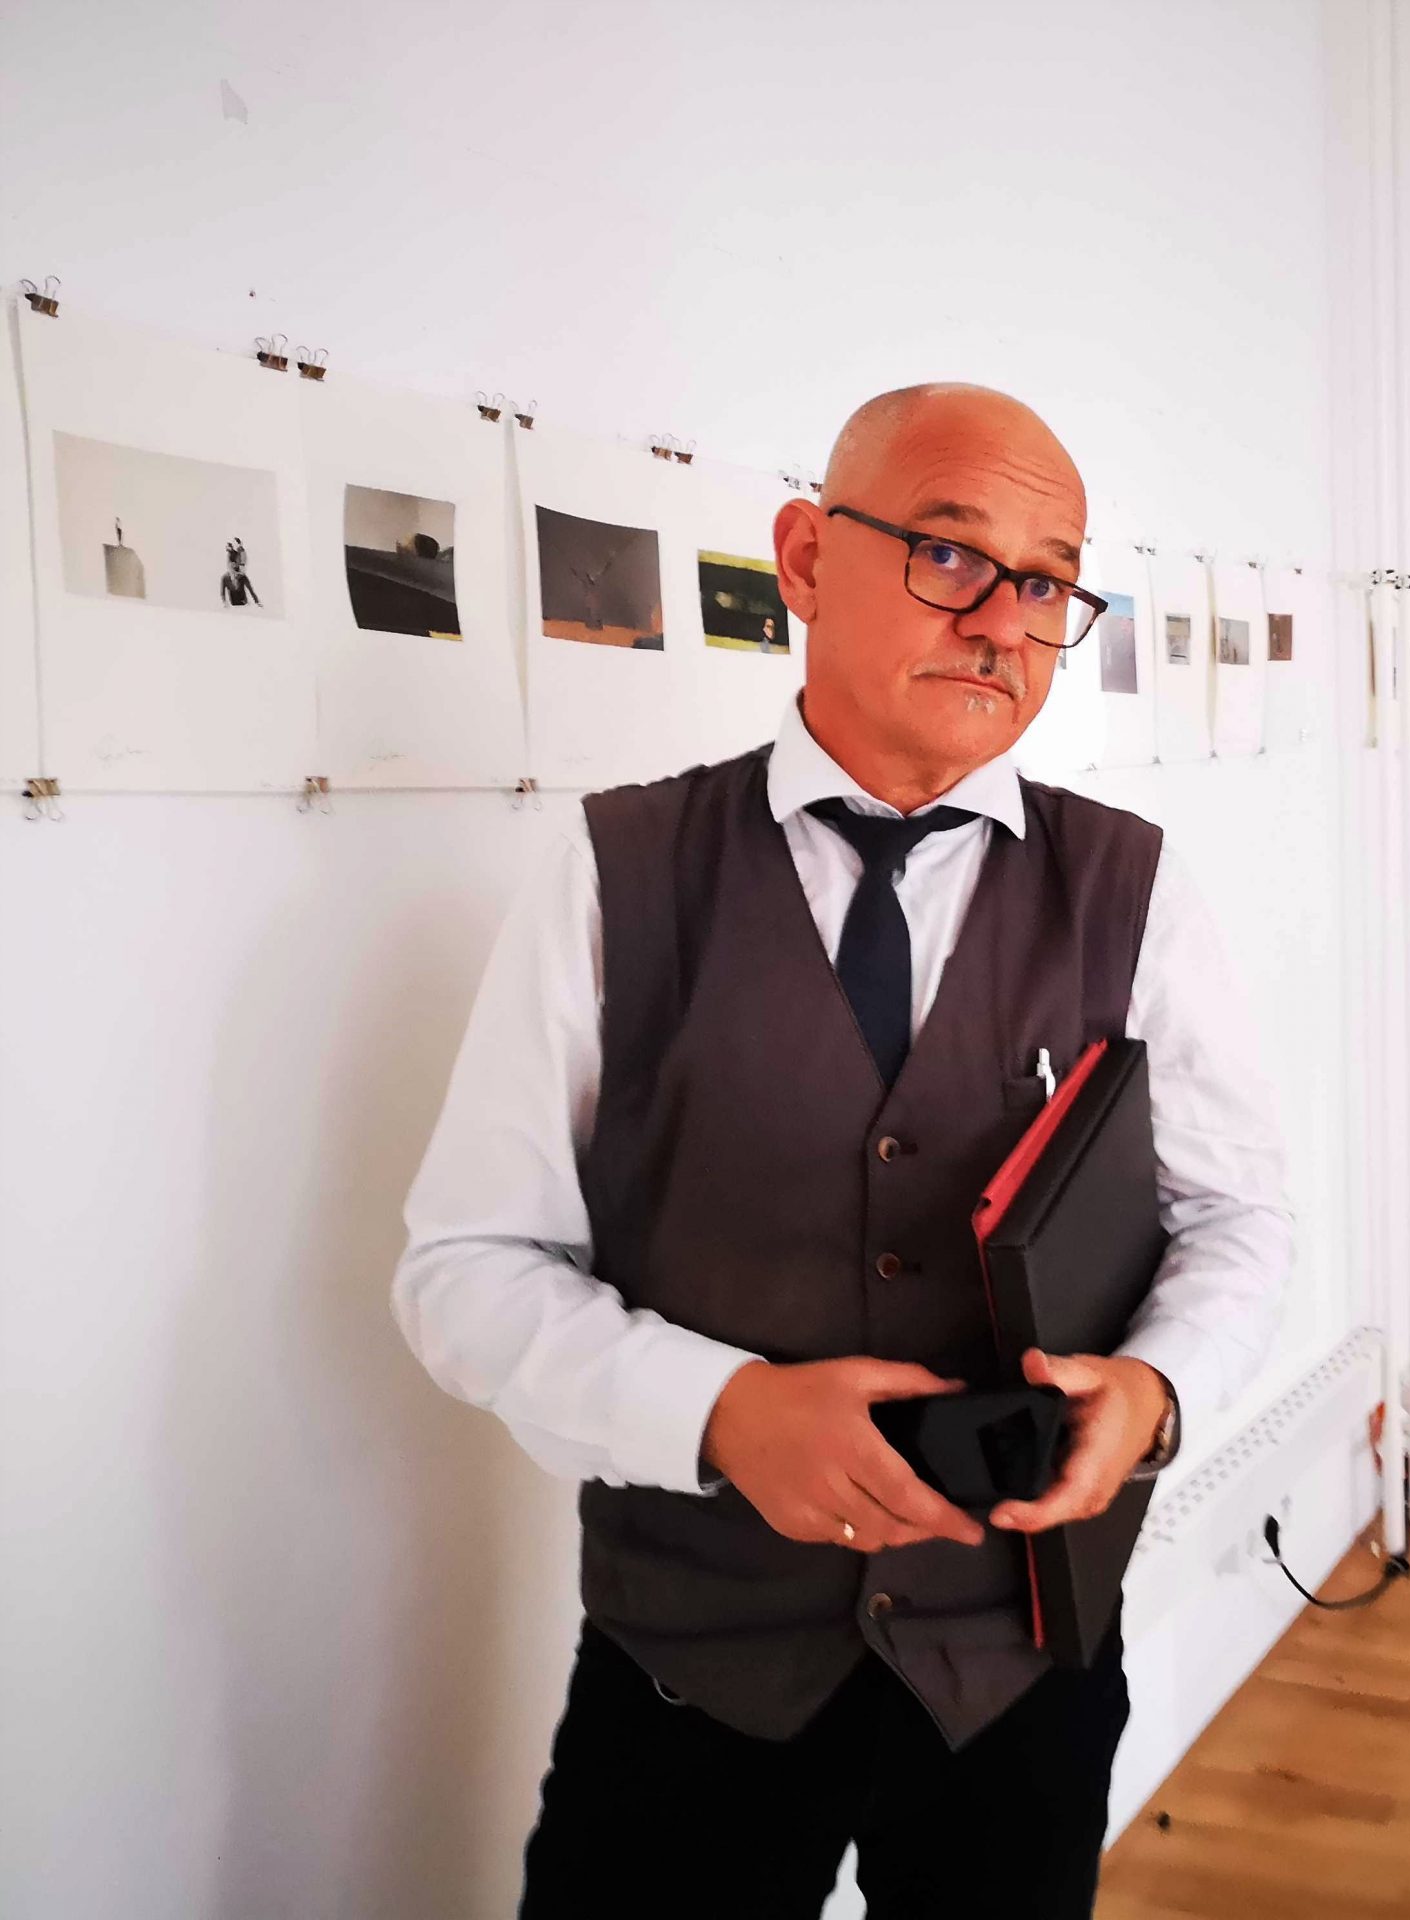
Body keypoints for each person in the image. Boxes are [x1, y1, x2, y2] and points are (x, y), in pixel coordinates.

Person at [394, 383, 1291, 1918]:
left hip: (1018, 1666)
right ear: (806, 559)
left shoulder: (1130, 889)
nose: (1003, 622)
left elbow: (1236, 1216)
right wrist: (720, 1412)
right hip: (692, 1672)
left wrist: (1156, 1389)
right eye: (952, 555)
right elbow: (466, 1268)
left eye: (1048, 583)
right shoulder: (618, 874)